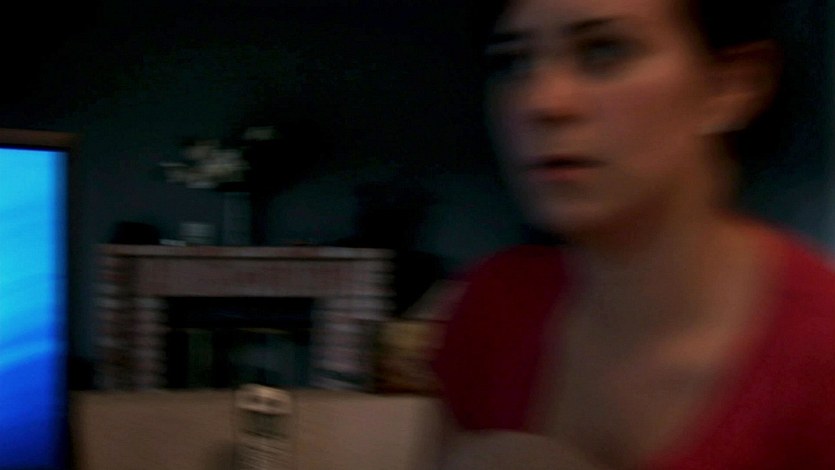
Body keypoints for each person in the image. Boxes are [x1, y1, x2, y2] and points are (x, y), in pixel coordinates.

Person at [431, 0, 835, 468]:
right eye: (513, 62)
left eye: (604, 51)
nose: (541, 102)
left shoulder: (819, 355)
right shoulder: (491, 311)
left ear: (731, 85)